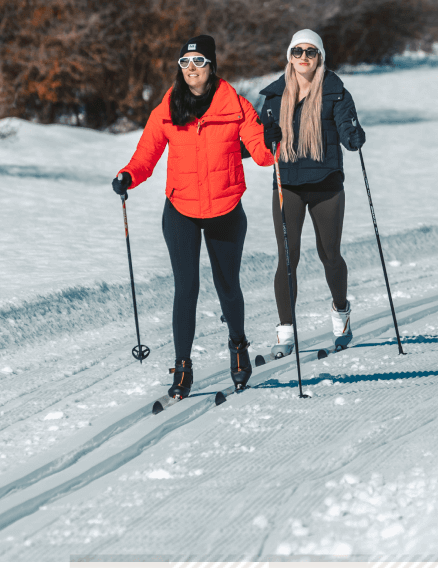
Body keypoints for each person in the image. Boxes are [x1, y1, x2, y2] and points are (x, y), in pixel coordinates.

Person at [111, 34, 275, 401]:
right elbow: (146, 155)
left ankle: (238, 347)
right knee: (186, 289)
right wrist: (128, 176)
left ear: (212, 66)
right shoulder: (168, 108)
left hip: (225, 209)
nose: (191, 70)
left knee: (227, 285)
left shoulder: (235, 106)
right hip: (181, 210)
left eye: (199, 62)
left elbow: (262, 154)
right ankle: (182, 366)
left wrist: (274, 140)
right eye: (185, 63)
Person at [255, 29, 365, 355]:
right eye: (297, 51)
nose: (303, 58)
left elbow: (346, 128)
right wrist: (267, 136)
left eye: (310, 52)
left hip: (326, 183)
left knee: (329, 254)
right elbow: (261, 140)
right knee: (288, 257)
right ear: (289, 56)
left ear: (320, 57)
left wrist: (353, 136)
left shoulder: (336, 93)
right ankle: (285, 331)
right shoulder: (274, 97)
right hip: (287, 183)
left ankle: (341, 311)